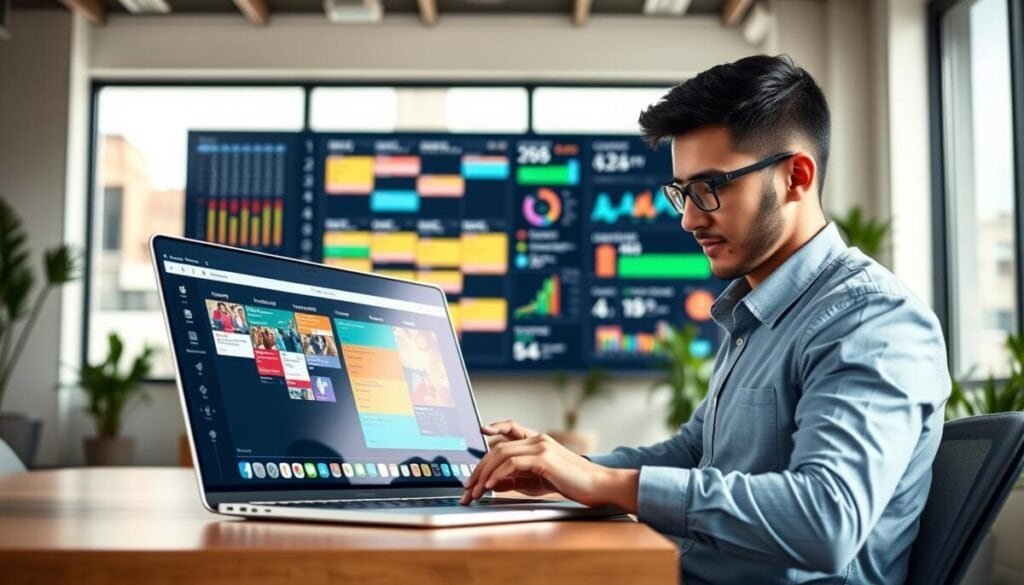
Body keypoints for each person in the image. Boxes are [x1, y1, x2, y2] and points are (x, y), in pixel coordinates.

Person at [461, 55, 950, 585]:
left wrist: (602, 482)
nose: (689, 217)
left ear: (796, 177)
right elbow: (694, 452)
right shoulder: (758, 312)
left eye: (710, 186)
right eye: (682, 191)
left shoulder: (871, 320)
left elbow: (826, 519)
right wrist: (557, 468)